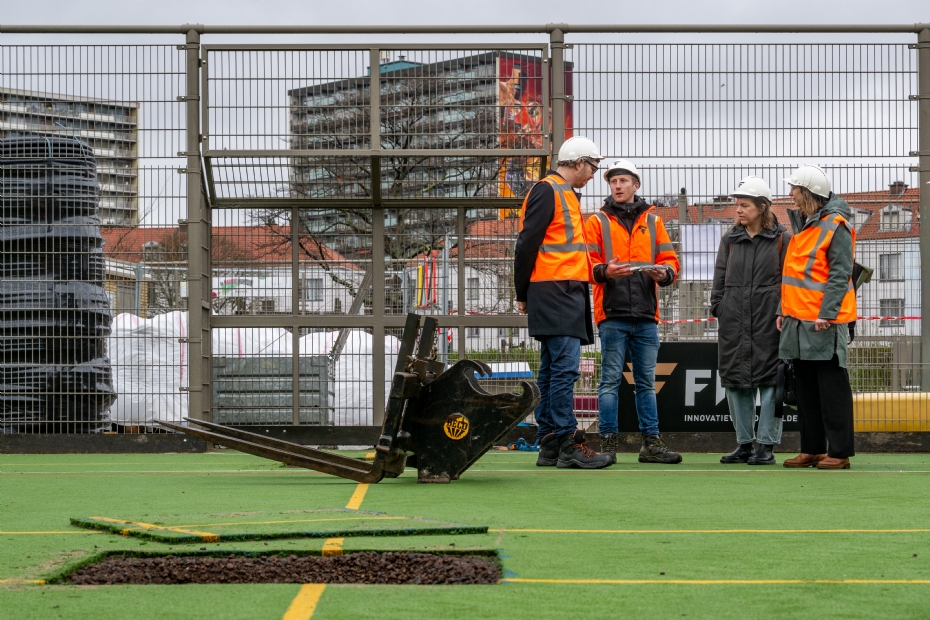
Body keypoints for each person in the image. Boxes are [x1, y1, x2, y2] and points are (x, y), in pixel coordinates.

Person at [514, 136, 612, 470]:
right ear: (579, 162)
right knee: (564, 368)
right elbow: (526, 243)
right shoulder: (549, 190)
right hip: (556, 290)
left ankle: (551, 444)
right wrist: (521, 293)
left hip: (560, 289)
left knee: (555, 368)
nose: (593, 175)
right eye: (593, 168)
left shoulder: (561, 193)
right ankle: (567, 442)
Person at [584, 159, 682, 465]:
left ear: (635, 185)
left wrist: (664, 273)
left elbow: (671, 262)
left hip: (645, 315)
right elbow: (586, 264)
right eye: (613, 181)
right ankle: (609, 445)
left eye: (623, 180)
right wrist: (605, 271)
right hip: (612, 313)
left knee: (644, 383)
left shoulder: (654, 223)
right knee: (611, 381)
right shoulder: (596, 222)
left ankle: (650, 444)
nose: (617, 185)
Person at [777, 165, 856, 470]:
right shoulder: (806, 226)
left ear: (807, 193)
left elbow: (839, 274)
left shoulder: (835, 226)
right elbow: (794, 275)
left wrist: (828, 314)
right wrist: (783, 311)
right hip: (799, 321)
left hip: (824, 322)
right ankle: (812, 449)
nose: (790, 194)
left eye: (794, 189)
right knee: (807, 390)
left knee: (832, 389)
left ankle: (839, 452)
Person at [711, 176, 791, 465]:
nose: (738, 210)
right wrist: (718, 307)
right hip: (734, 320)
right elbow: (719, 278)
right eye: (737, 205)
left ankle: (766, 446)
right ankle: (744, 443)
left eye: (744, 205)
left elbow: (789, 281)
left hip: (770, 320)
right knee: (736, 382)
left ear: (762, 206)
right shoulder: (730, 240)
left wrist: (782, 310)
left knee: (771, 382)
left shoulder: (783, 239)